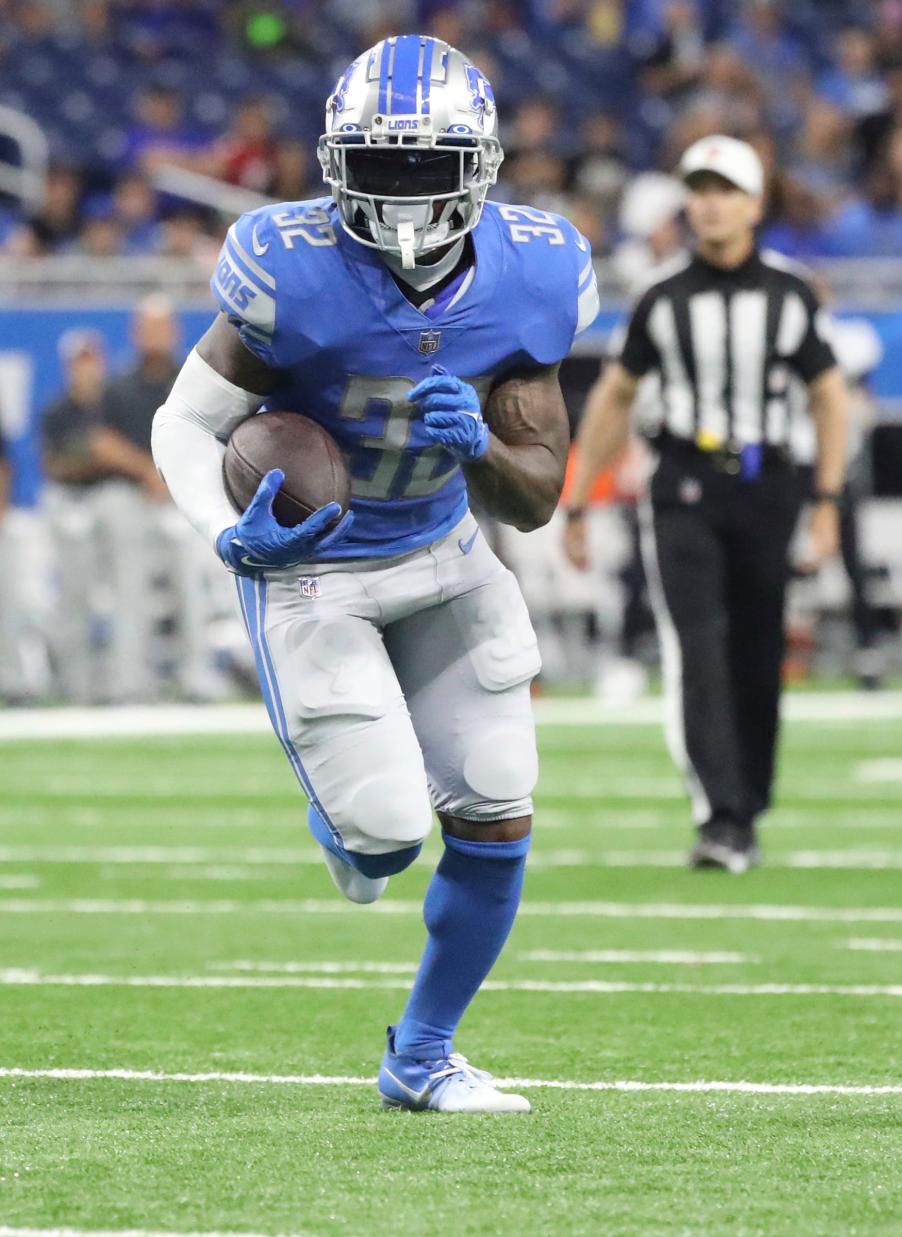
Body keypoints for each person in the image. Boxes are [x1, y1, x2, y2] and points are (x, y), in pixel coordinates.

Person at [152, 35, 598, 1112]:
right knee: (387, 837)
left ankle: (423, 1056)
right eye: (381, 164)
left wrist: (481, 449)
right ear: (336, 161)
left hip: (447, 552)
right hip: (317, 573)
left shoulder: (536, 270)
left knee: (497, 810)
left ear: (480, 167)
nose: (401, 195)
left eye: (425, 167)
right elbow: (185, 423)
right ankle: (344, 824)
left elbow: (534, 499)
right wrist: (230, 533)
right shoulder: (286, 266)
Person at [563, 135, 848, 873]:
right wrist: (578, 501)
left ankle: (748, 800)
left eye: (725, 189)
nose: (710, 203)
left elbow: (828, 397)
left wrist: (824, 500)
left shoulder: (790, 294)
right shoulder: (662, 295)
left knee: (759, 646)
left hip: (768, 484)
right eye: (700, 188)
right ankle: (719, 813)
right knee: (698, 643)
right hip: (683, 484)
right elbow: (615, 396)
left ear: (754, 204)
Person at [104, 297, 225, 701]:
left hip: (183, 497)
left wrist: (171, 476)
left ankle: (196, 675)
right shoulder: (118, 384)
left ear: (173, 332)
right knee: (130, 587)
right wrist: (146, 471)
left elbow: (212, 431)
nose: (154, 336)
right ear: (137, 333)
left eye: (161, 327)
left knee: (191, 589)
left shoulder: (191, 376)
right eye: (148, 327)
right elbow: (102, 441)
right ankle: (130, 681)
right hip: (135, 496)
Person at [42, 329, 166, 703]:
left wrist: (110, 457)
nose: (86, 369)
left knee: (131, 587)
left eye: (90, 359)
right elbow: (55, 465)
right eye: (79, 362)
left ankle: (128, 683)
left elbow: (119, 449)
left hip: (117, 498)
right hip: (73, 502)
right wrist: (97, 457)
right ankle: (76, 686)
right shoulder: (58, 409)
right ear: (68, 367)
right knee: (75, 594)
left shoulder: (115, 399)